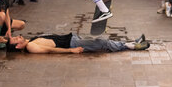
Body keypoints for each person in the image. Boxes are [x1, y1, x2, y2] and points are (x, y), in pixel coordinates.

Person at [8, 33, 149, 53]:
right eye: (15, 39)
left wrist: (3, 39)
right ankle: (131, 46)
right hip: (72, 44)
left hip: (72, 38)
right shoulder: (31, 46)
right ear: (18, 46)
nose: (17, 36)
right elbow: (51, 50)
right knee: (101, 42)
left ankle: (129, 43)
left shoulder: (29, 41)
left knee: (99, 42)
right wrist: (70, 51)